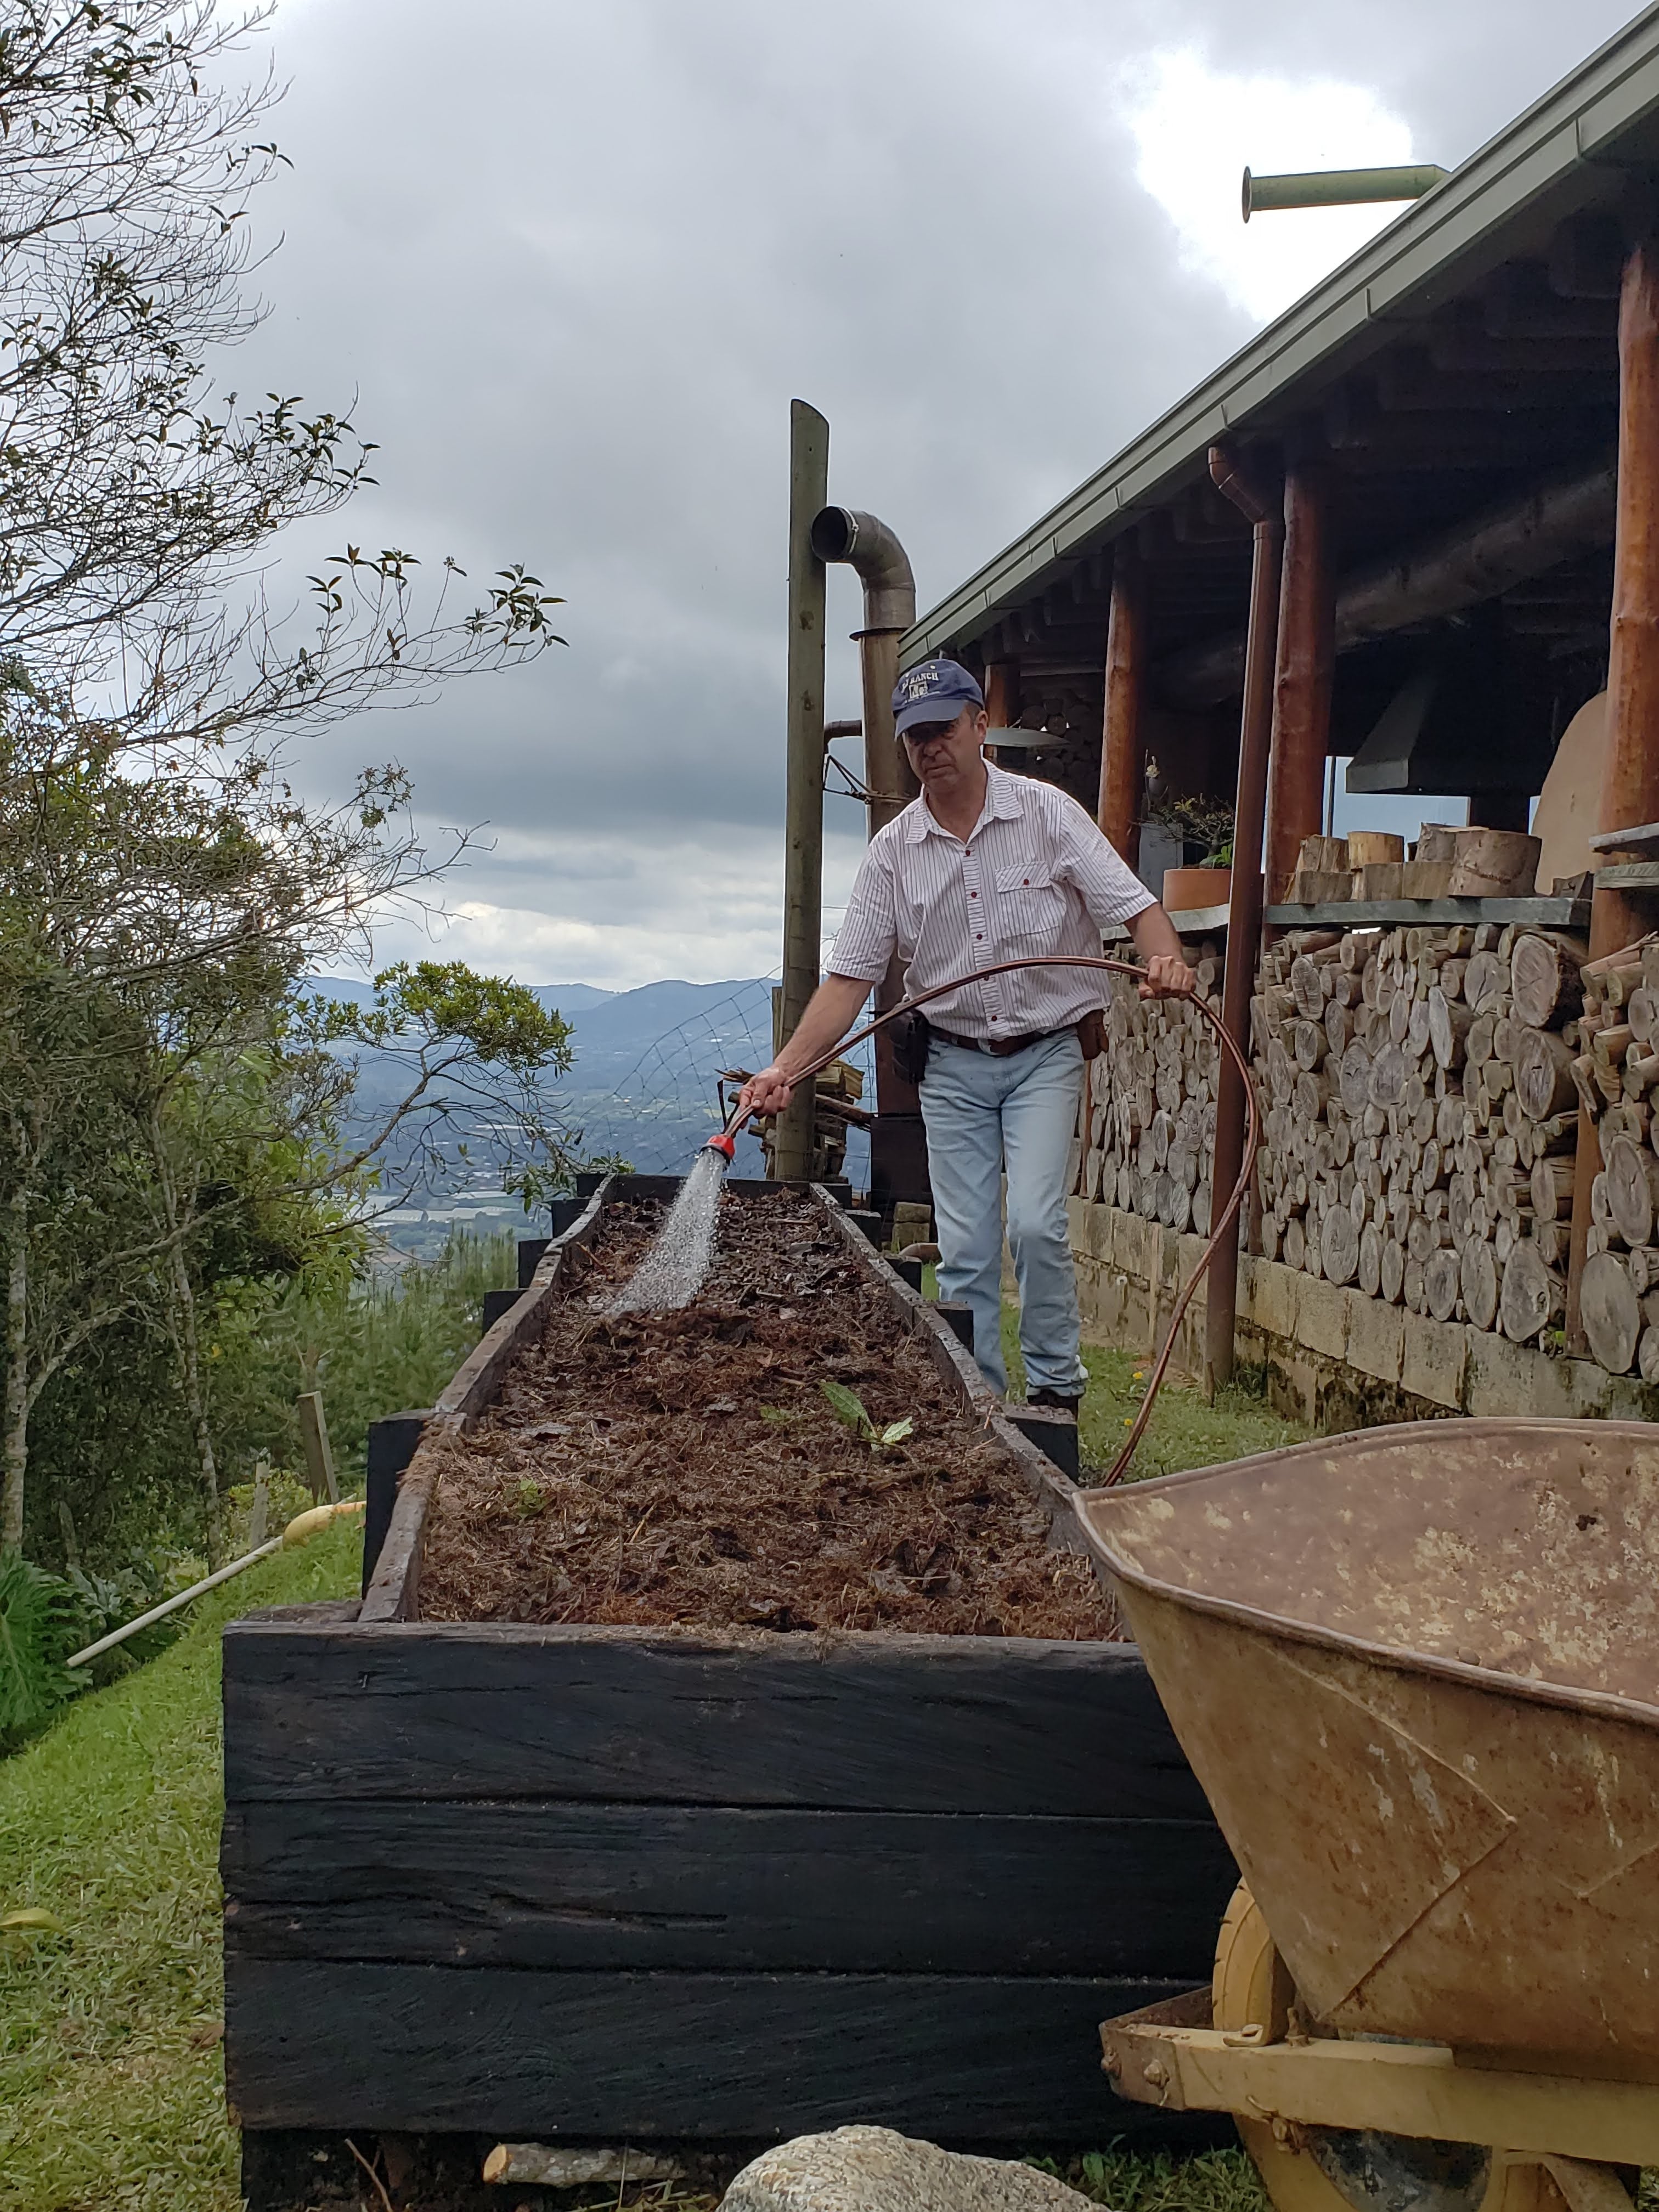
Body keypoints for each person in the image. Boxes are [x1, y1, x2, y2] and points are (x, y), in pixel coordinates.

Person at [741, 657, 1195, 1412]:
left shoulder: (1049, 816)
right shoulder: (893, 853)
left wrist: (1168, 960)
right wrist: (783, 1069)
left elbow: (1137, 907)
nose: (930, 747)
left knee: (1038, 1226)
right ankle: (981, 1410)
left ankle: (1055, 1397)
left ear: (980, 726)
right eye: (915, 735)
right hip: (949, 1062)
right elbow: (850, 981)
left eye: (943, 729)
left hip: (1046, 1052)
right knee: (968, 1253)